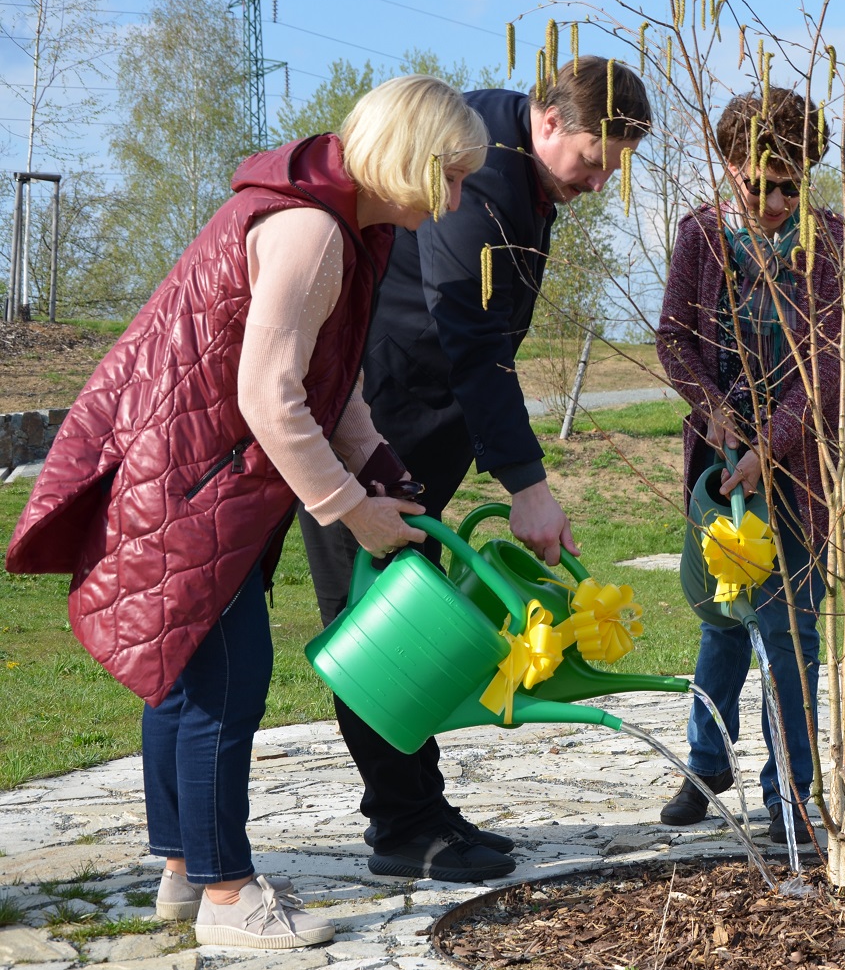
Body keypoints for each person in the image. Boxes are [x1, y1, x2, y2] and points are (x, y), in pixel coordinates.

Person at [4, 76, 487, 947]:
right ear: (409, 161)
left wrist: (377, 459)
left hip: (187, 473)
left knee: (180, 669)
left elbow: (323, 381)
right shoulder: (311, 233)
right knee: (228, 681)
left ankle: (187, 871)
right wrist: (351, 508)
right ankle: (230, 895)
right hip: (198, 482)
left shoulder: (331, 221)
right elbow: (269, 398)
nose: (454, 200)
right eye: (449, 177)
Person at [295, 57, 653, 882]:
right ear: (550, 119)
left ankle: (421, 805)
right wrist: (527, 483)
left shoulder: (527, 169)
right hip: (369, 419)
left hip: (418, 426)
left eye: (612, 168)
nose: (598, 183)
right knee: (380, 624)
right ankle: (402, 825)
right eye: (593, 160)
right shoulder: (481, 171)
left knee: (412, 604)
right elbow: (472, 339)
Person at [655, 87, 845, 844]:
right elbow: (673, 337)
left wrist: (771, 444)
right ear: (730, 164)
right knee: (724, 614)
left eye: (790, 185)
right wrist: (715, 412)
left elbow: (827, 365)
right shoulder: (701, 236)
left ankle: (789, 796)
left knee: (791, 629)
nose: (775, 200)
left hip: (798, 470)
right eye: (759, 182)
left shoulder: (828, 243)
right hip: (720, 461)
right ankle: (707, 759)